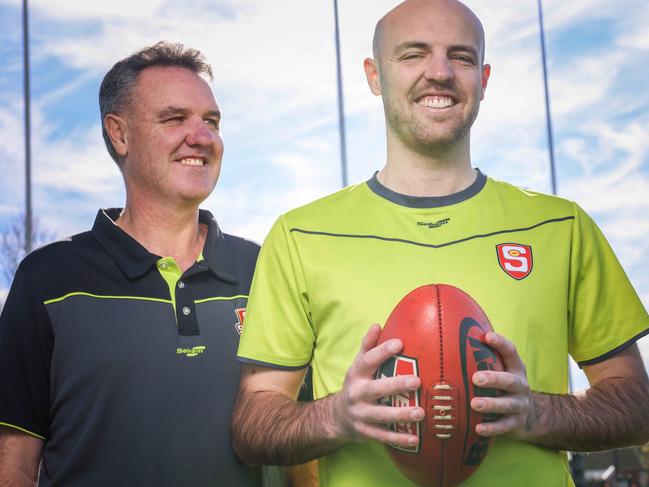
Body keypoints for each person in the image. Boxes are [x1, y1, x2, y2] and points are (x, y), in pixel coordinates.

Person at [232, 1, 649, 486]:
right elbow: (252, 425)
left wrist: (535, 413)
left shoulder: (562, 226)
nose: (440, 72)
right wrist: (337, 417)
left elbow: (636, 406)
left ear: (484, 79)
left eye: (462, 57)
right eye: (412, 55)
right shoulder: (300, 235)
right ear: (374, 75)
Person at [0, 42, 262, 486]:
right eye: (175, 119)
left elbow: (303, 452)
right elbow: (14, 464)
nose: (201, 137)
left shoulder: (262, 269)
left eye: (211, 122)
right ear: (119, 134)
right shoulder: (47, 278)